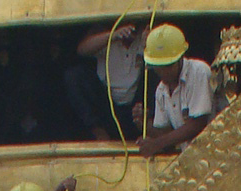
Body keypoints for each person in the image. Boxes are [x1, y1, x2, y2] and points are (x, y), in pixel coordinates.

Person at [137, 24, 215, 158]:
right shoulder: (160, 90)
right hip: (190, 159)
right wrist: (145, 124)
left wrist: (157, 144)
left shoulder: (198, 71)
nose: (163, 72)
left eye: (167, 66)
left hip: (213, 153)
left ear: (180, 58)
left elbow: (198, 125)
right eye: (158, 67)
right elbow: (167, 134)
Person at [66, 17, 147, 141]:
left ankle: (149, 131)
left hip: (137, 105)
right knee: (74, 75)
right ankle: (99, 133)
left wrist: (150, 42)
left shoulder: (144, 35)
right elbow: (82, 50)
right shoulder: (105, 34)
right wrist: (112, 35)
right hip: (107, 106)